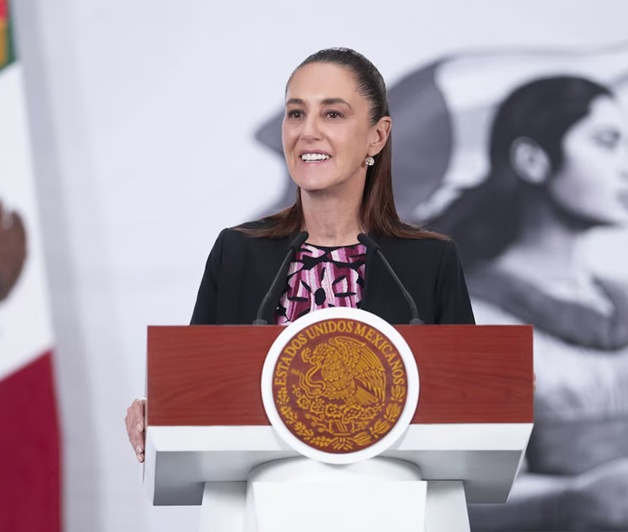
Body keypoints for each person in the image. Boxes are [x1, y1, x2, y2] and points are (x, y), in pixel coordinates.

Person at [125, 48, 475, 463]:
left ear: (377, 136)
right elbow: (198, 390)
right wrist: (157, 411)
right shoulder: (239, 252)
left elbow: (469, 407)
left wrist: (505, 394)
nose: (307, 131)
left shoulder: (429, 261)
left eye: (332, 114)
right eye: (296, 114)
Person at [426, 76, 628, 530]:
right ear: (532, 160)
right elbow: (450, 498)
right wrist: (573, 500)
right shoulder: (473, 315)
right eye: (607, 143)